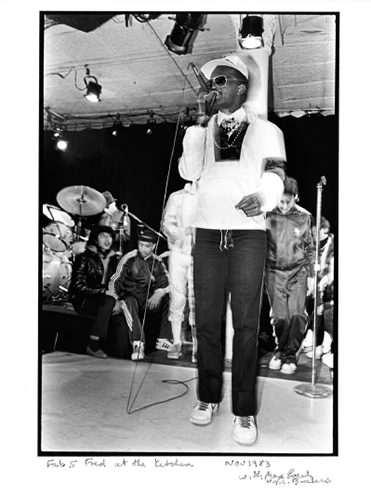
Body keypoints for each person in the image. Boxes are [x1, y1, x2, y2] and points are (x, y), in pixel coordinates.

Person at [178, 54, 286, 446]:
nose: (213, 88)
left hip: (246, 235)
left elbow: (276, 174)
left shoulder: (267, 130)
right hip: (207, 233)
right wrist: (199, 124)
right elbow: (188, 172)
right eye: (210, 83)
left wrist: (264, 197)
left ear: (241, 86)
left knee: (245, 325)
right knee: (206, 322)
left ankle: (244, 411)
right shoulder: (201, 131)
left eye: (220, 81)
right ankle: (207, 398)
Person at [265, 177, 315, 374]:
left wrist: (311, 275)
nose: (284, 206)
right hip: (274, 272)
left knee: (296, 314)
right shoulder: (267, 214)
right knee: (280, 317)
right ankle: (280, 349)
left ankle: (290, 355)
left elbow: (310, 248)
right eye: (281, 201)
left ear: (296, 198)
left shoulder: (304, 217)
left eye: (288, 201)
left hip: (298, 272)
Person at [107, 225, 173, 360]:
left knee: (172, 298)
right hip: (131, 296)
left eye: (147, 246)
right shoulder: (129, 258)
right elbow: (115, 281)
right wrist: (114, 298)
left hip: (148, 300)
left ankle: (163, 339)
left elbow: (168, 283)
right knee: (129, 301)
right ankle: (138, 343)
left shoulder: (157, 261)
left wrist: (159, 292)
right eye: (141, 244)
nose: (143, 248)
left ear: (153, 246)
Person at [69, 225, 125, 358]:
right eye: (103, 236)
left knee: (124, 311)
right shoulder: (84, 258)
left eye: (110, 236)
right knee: (108, 301)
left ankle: (122, 353)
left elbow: (119, 284)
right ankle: (92, 344)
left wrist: (119, 300)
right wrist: (103, 291)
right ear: (95, 239)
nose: (107, 239)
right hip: (85, 300)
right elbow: (78, 286)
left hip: (107, 300)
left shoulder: (114, 260)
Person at [161, 182, 197, 361]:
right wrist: (184, 232)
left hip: (201, 255)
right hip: (178, 253)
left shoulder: (208, 195)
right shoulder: (177, 196)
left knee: (197, 299)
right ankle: (176, 342)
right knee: (177, 296)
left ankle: (198, 345)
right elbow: (167, 224)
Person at [303, 216, 335, 358]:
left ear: (324, 230)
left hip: (331, 288)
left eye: (315, 231)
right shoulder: (312, 245)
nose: (312, 235)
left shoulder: (333, 243)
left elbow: (332, 270)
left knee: (321, 307)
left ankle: (318, 342)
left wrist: (325, 279)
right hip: (318, 285)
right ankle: (312, 338)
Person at [99, 191, 131, 255]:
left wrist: (112, 236)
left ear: (113, 203)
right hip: (103, 251)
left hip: (117, 250)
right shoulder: (103, 217)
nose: (106, 210)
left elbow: (127, 237)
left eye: (107, 207)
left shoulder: (123, 216)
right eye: (104, 208)